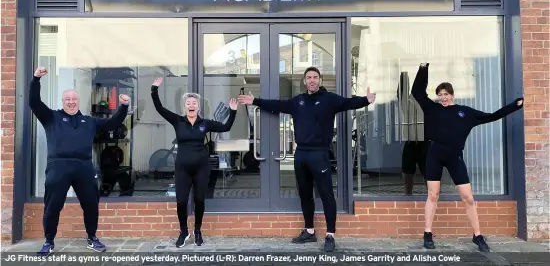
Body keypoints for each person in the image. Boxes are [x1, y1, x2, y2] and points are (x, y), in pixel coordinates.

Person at [238, 67, 376, 252]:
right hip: (301, 154)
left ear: (320, 80)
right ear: (304, 81)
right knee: (305, 195)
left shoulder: (330, 99)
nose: (312, 80)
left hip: (320, 154)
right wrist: (255, 101)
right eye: (309, 77)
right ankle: (309, 232)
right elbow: (277, 105)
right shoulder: (298, 101)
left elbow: (349, 103)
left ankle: (330, 235)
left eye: (315, 77)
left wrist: (366, 100)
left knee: (326, 194)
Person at [411, 63, 524, 252]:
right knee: (433, 195)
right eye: (440, 94)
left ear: (452, 95)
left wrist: (515, 106)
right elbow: (417, 92)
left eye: (446, 94)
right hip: (434, 155)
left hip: (454, 157)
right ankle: (428, 233)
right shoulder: (432, 108)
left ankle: (477, 235)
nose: (442, 97)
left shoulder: (465, 113)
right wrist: (423, 69)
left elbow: (492, 116)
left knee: (468, 198)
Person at [30, 67, 130, 255]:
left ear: (78, 101)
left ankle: (92, 238)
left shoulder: (89, 121)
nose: (71, 102)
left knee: (91, 203)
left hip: (84, 167)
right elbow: (34, 103)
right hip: (58, 166)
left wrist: (123, 107)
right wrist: (36, 80)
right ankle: (49, 241)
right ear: (63, 101)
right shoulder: (52, 117)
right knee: (53, 205)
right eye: (67, 99)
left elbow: (112, 124)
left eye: (74, 99)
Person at [151, 77, 238, 247]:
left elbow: (226, 127)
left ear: (199, 106)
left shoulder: (205, 124)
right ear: (185, 106)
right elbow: (159, 108)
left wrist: (233, 111)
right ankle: (184, 232)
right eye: (188, 102)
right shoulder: (178, 121)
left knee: (199, 200)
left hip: (201, 168)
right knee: (181, 201)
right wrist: (154, 89)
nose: (191, 105)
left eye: (194, 103)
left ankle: (198, 230)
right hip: (183, 168)